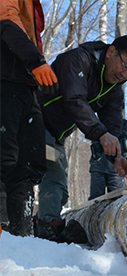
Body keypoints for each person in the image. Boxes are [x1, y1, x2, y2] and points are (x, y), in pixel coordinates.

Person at [36, 35, 127, 239]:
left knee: (59, 185)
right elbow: (74, 100)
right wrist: (100, 134)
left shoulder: (114, 90)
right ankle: (36, 227)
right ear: (111, 52)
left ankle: (44, 227)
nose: (125, 74)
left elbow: (112, 124)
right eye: (125, 65)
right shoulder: (79, 59)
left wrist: (117, 156)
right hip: (33, 117)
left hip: (56, 134)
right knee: (38, 173)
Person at [1, 0, 54, 236]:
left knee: (29, 164)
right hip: (4, 80)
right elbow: (6, 21)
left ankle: (21, 234)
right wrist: (36, 61)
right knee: (4, 157)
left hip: (26, 85)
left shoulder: (34, 5)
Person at [90, 120, 127, 200]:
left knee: (117, 200)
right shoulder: (97, 124)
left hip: (116, 170)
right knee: (95, 200)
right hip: (98, 167)